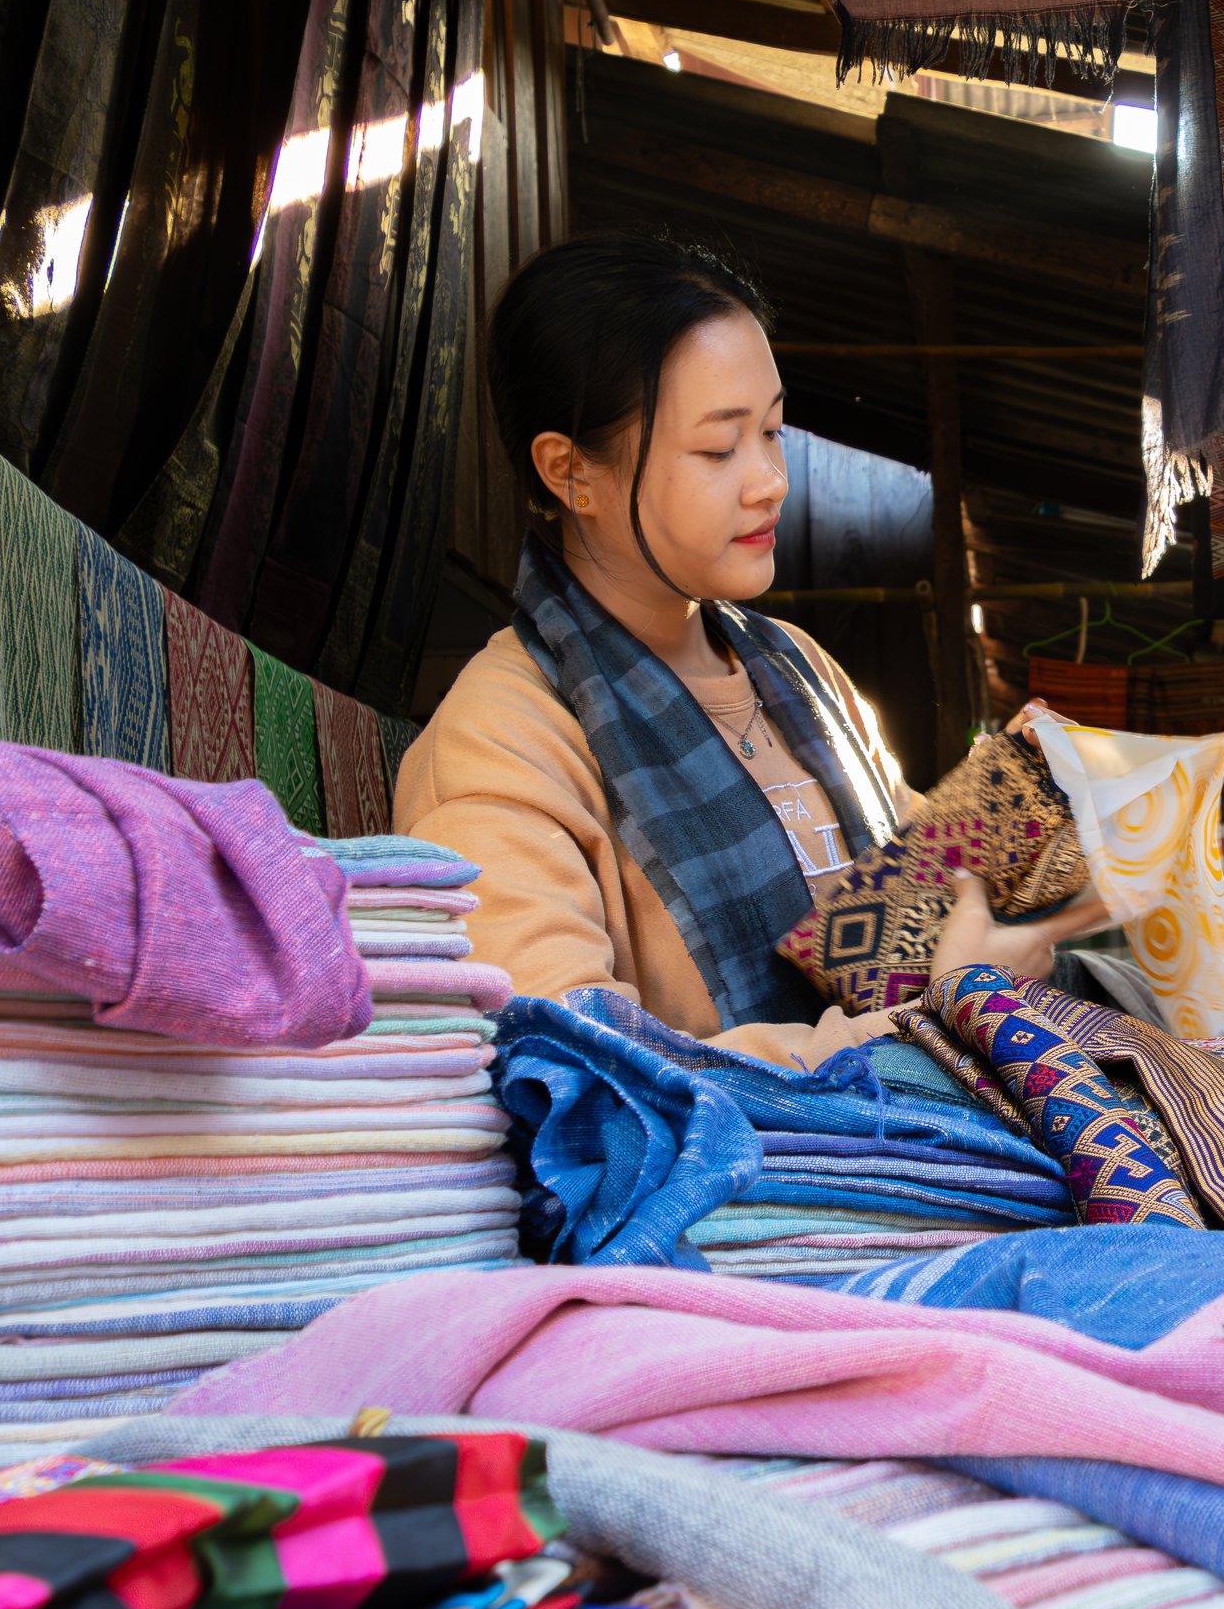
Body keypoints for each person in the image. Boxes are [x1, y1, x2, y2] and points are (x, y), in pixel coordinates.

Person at [396, 233, 1102, 1068]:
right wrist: (950, 1008)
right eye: (719, 447)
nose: (772, 479)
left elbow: (896, 919)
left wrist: (1018, 821)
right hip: (792, 1145)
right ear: (570, 471)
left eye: (772, 430)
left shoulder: (798, 670)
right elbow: (579, 1074)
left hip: (921, 1110)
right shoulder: (500, 743)